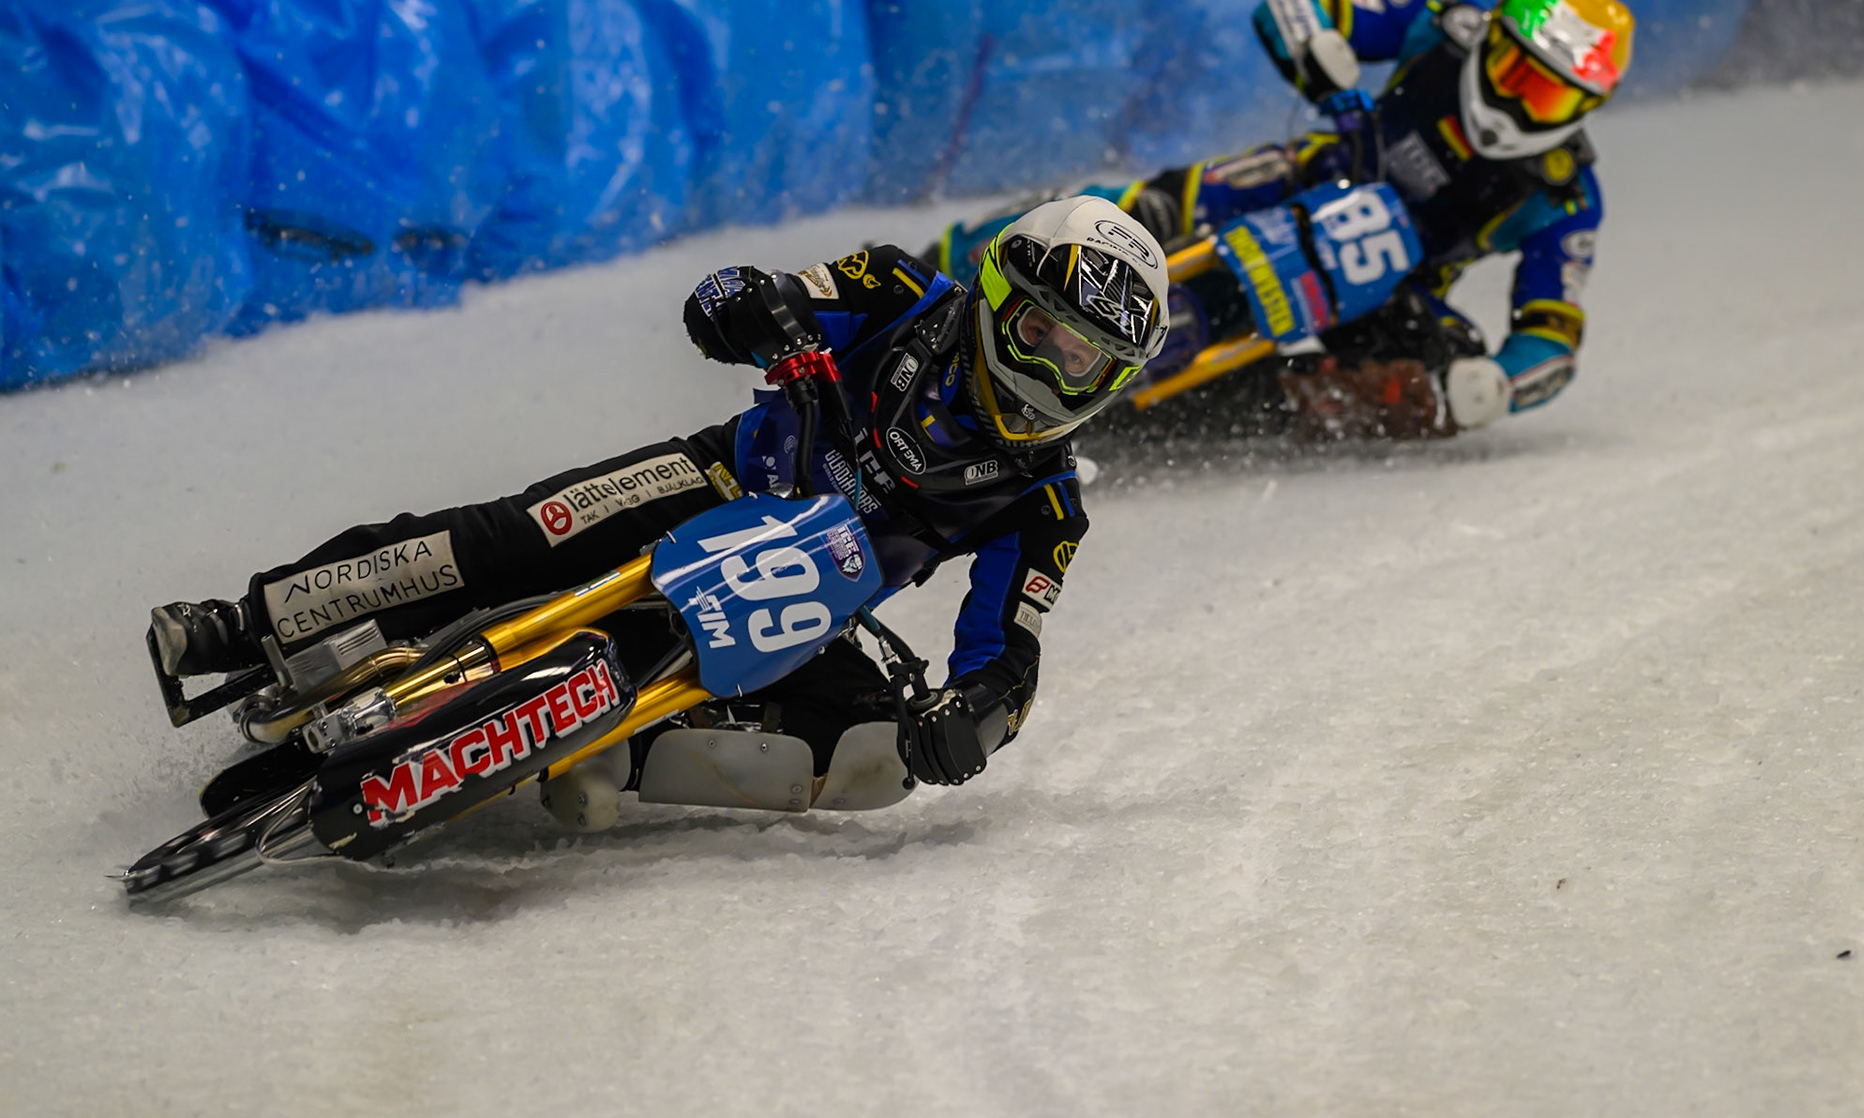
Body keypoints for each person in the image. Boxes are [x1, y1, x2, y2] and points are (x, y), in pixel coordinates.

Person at [147, 195, 1168, 795]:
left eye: (1083, 360)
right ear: (997, 296)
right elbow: (769, 292)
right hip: (720, 474)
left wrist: (973, 719)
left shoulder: (1046, 505)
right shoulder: (903, 290)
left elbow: (1010, 662)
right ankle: (245, 621)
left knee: (868, 749)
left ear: (1112, 383)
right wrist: (741, 303)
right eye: (1041, 331)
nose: (1050, 370)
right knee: (511, 535)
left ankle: (582, 752)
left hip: (808, 600)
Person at [931, 0, 1634, 431]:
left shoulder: (1564, 195)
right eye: (1512, 67)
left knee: (1433, 380)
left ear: (1583, 107)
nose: (1514, 97)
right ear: (1492, 36)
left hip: (1393, 287)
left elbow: (1553, 334)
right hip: (1308, 173)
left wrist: (1500, 386)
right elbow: (1293, 4)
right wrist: (1325, 70)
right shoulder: (1441, 20)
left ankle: (1253, 407)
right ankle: (949, 263)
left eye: (1546, 92)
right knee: (1139, 210)